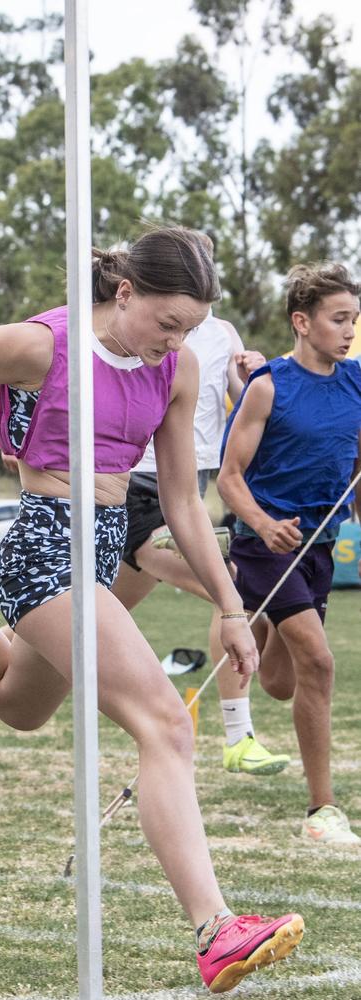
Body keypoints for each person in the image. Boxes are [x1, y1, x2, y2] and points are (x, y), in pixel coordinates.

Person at [0, 227, 304, 993]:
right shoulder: (48, 344)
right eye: (166, 322)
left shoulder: (173, 369)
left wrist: (233, 605)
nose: (174, 343)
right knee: (166, 723)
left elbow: (180, 500)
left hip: (103, 545)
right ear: (124, 293)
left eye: (191, 329)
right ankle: (215, 929)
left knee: (17, 701)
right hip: (45, 541)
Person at [111, 243, 290, 776]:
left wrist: (257, 377)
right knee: (229, 584)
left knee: (90, 614)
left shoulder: (223, 333)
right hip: (134, 484)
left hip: (187, 483)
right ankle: (238, 736)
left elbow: (241, 401)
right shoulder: (139, 322)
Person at [218, 261, 361, 846]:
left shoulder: (357, 384)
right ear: (303, 322)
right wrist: (262, 522)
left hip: (320, 547)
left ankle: (262, 633)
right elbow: (229, 478)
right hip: (264, 544)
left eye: (354, 319)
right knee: (320, 663)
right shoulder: (268, 385)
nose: (349, 330)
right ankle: (321, 812)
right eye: (339, 319)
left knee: (280, 682)